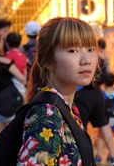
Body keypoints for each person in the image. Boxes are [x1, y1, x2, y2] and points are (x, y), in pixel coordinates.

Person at [15, 17, 98, 165]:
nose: (86, 60)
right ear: (48, 61)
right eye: (73, 50)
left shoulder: (67, 107)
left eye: (91, 49)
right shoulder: (46, 114)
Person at [0, 32, 27, 98]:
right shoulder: (23, 55)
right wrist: (24, 79)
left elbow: (7, 61)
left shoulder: (9, 53)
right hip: (22, 78)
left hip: (15, 78)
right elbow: (25, 68)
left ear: (7, 44)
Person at [95, 73, 114, 162]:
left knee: (100, 137)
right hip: (113, 120)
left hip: (104, 119)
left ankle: (98, 155)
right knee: (111, 136)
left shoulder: (102, 94)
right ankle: (110, 154)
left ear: (104, 83)